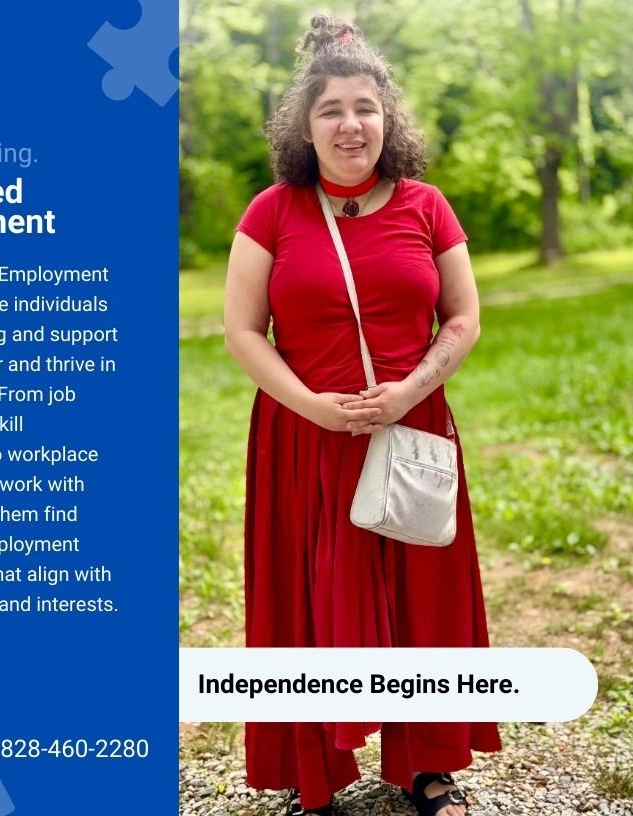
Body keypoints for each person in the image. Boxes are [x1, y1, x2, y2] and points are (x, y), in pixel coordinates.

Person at [223, 15, 502, 816]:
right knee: (309, 604)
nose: (351, 124)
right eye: (331, 110)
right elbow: (243, 331)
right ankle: (314, 777)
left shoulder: (428, 206)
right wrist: (312, 403)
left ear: (388, 117)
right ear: (304, 129)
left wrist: (410, 390)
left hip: (413, 429)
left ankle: (427, 763)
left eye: (365, 107)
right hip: (304, 436)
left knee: (424, 595)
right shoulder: (272, 212)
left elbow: (463, 318)